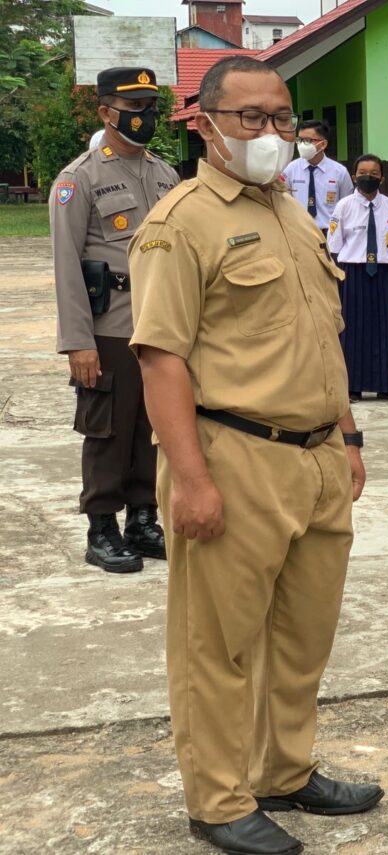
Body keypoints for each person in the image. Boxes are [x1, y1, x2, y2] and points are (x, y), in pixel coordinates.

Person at [127, 56, 380, 855]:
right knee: (220, 643)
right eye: (251, 118)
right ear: (205, 124)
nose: (272, 132)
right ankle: (218, 798)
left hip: (313, 460)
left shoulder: (293, 212)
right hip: (232, 455)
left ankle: (286, 769)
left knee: (303, 635)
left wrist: (345, 435)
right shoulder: (181, 222)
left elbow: (321, 334)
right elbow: (160, 360)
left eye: (280, 116)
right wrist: (191, 480)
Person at [50, 66, 178, 574]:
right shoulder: (79, 178)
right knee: (108, 429)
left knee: (156, 426)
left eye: (150, 108)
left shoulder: (165, 174)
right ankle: (101, 526)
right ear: (106, 112)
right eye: (134, 110)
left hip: (161, 324)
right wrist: (78, 342)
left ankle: (144, 520)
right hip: (109, 327)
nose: (145, 118)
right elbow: (66, 267)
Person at [328, 154, 388, 402]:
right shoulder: (343, 207)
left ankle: (385, 384)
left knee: (384, 328)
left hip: (384, 273)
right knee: (352, 329)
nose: (368, 177)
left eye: (374, 174)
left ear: (382, 178)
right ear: (354, 177)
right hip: (352, 272)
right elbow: (334, 245)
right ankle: (352, 385)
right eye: (363, 173)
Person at [282, 119, 353, 234]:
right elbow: (284, 203)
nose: (302, 145)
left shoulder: (340, 172)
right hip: (300, 232)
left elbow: (348, 207)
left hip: (330, 233)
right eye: (299, 140)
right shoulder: (290, 170)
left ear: (323, 144)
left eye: (308, 141)